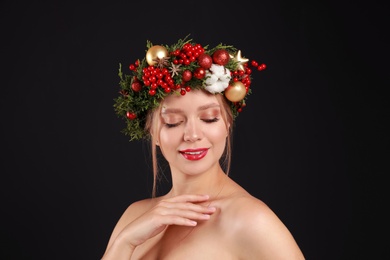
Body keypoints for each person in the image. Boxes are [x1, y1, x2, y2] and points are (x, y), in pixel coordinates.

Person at [102, 36, 305, 259]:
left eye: (209, 119)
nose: (193, 135)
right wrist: (126, 242)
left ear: (227, 124)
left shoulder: (250, 220)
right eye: (173, 122)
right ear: (153, 133)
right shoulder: (135, 216)